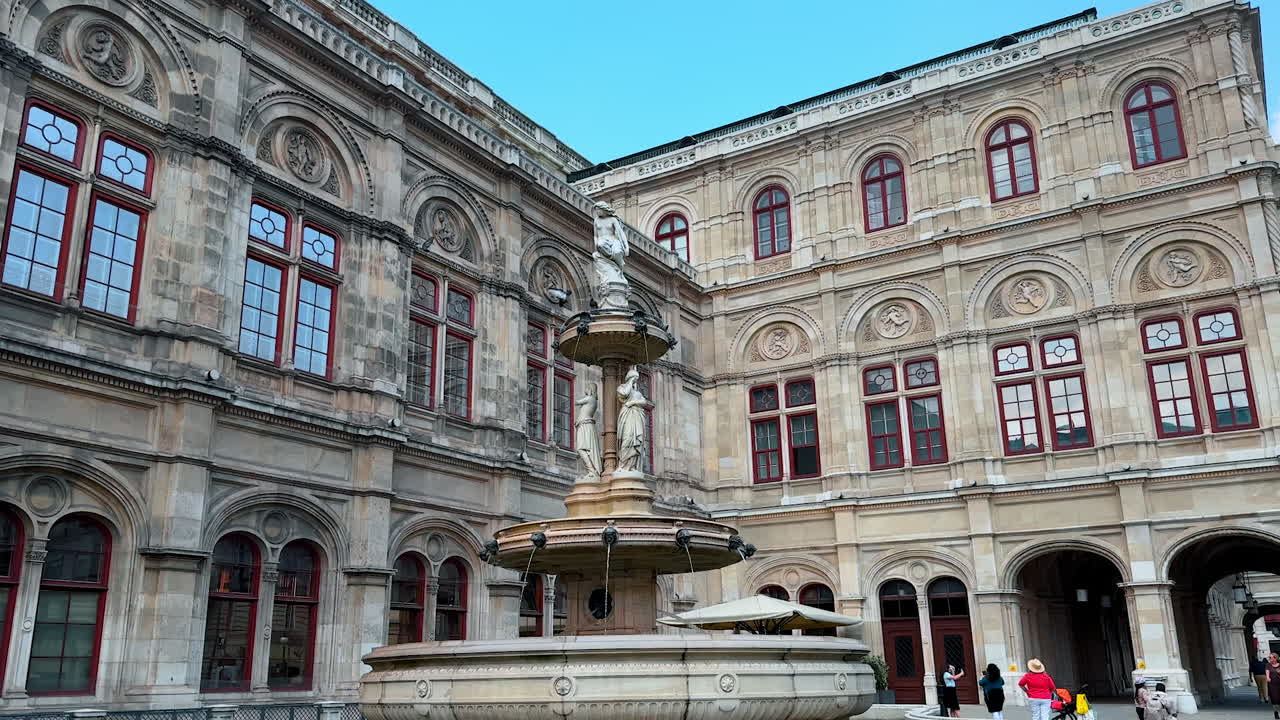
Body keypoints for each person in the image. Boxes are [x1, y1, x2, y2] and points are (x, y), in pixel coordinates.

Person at [1268, 652, 1280, 720]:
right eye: (1269, 657)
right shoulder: (1268, 665)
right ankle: (1276, 713)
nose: (1269, 659)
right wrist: (1268, 678)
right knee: (1275, 700)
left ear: (1275, 658)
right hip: (1272, 685)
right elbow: (1267, 672)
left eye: (1270, 657)